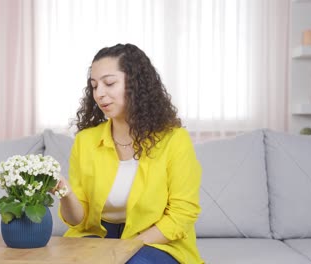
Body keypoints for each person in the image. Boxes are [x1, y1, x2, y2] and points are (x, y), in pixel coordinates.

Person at [54, 43, 203, 264]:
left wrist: (125, 248)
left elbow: (182, 214)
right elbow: (78, 221)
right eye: (94, 86)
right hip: (100, 236)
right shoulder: (86, 141)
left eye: (109, 83)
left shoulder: (174, 140)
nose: (99, 94)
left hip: (156, 240)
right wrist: (65, 193)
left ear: (135, 84)